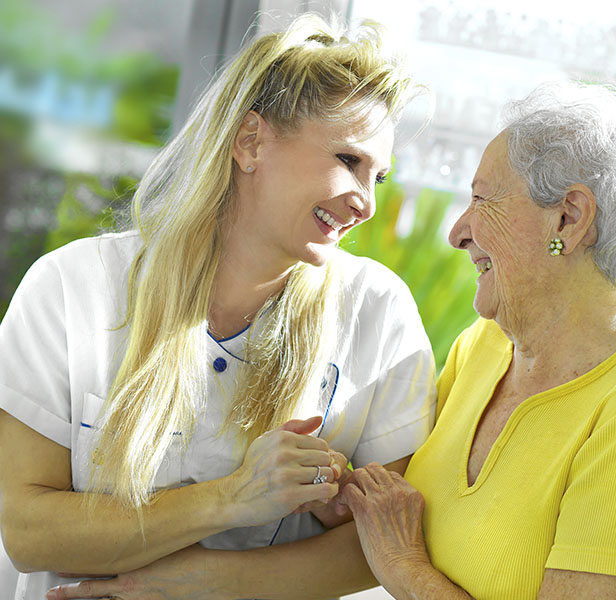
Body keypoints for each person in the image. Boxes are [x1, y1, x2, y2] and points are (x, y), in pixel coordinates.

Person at [0, 14, 436, 600]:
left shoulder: (380, 313)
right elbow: (28, 533)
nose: (367, 204)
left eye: (379, 177)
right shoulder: (69, 287)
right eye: (349, 160)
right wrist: (234, 497)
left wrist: (198, 583)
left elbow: (382, 547)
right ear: (251, 142)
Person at [338, 81, 616, 599]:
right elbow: (400, 511)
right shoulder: (485, 346)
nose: (458, 231)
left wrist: (404, 567)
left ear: (569, 217)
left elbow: (401, 550)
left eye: (481, 199)